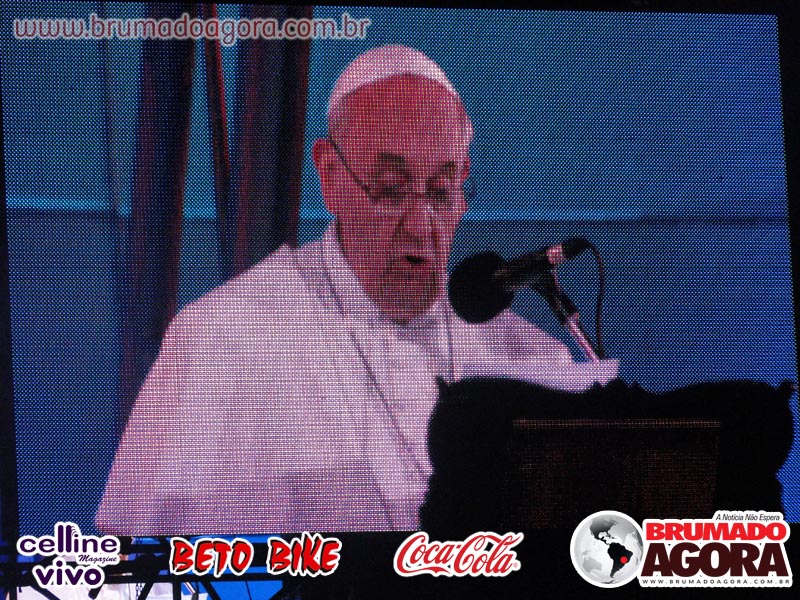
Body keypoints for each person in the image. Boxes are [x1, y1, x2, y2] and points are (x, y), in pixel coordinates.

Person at [96, 44, 581, 535]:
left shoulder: (528, 359)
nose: (420, 225)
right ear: (329, 176)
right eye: (390, 190)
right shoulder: (226, 339)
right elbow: (132, 560)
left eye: (441, 191)